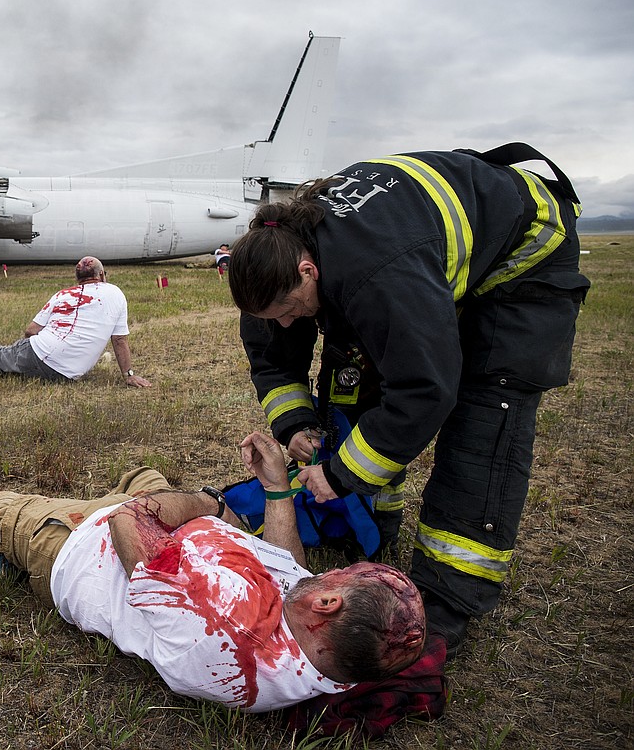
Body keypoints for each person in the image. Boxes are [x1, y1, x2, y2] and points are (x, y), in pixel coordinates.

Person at [226, 143, 591, 656]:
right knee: (351, 384)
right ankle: (369, 523)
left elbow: (424, 388)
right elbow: (274, 359)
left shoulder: (376, 273)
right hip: (409, 257)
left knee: (481, 421)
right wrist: (295, 427)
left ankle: (445, 598)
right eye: (272, 316)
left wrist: (338, 475)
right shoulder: (269, 261)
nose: (285, 323)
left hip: (524, 256)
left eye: (290, 309)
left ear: (308, 271)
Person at [0, 417, 426, 713]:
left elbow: (129, 524)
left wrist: (213, 506)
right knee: (144, 473)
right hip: (167, 533)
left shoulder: (220, 628)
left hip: (81, 549)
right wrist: (276, 489)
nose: (327, 574)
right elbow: (288, 568)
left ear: (329, 604)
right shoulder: (324, 653)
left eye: (340, 577)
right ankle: (2, 563)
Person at [0, 256, 153, 387]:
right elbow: (120, 340)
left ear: (77, 279)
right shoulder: (116, 293)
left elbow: (30, 331)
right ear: (103, 275)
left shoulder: (62, 294)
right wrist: (129, 375)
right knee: (7, 362)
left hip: (40, 354)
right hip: (69, 375)